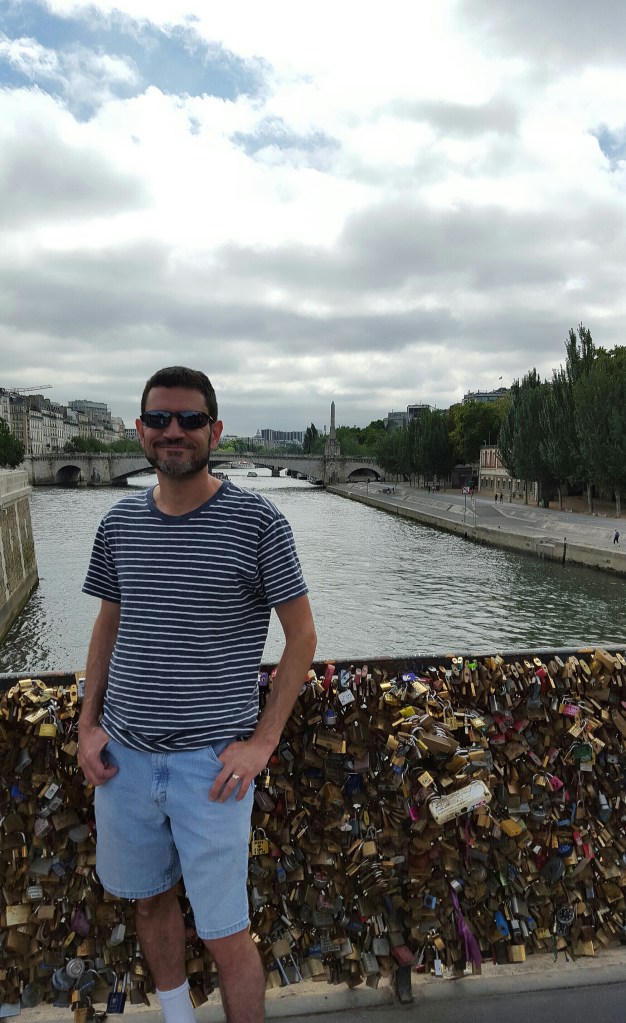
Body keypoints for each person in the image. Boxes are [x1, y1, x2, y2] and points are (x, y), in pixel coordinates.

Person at [78, 366, 316, 1023]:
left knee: (224, 930)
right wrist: (86, 724)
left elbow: (301, 637)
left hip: (212, 765)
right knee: (149, 900)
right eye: (159, 419)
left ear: (215, 430)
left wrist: (263, 740)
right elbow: (108, 623)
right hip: (122, 758)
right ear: (140, 432)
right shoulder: (119, 523)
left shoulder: (258, 522)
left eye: (188, 420)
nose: (172, 431)